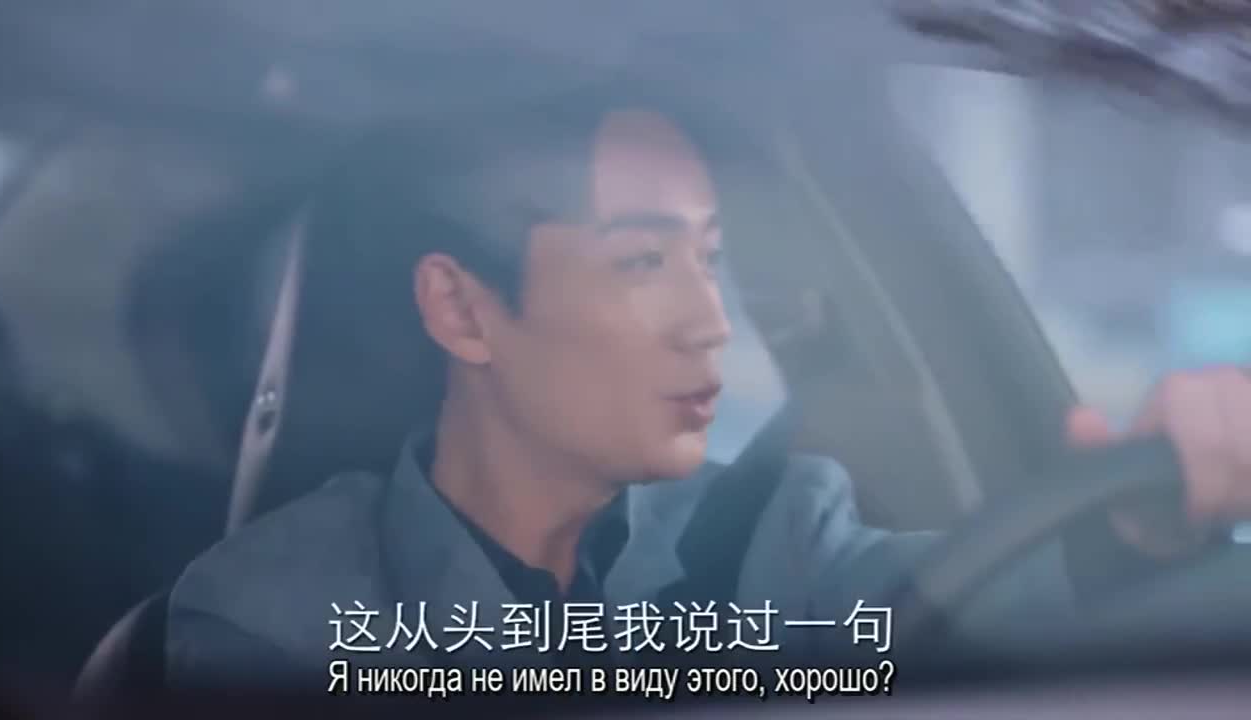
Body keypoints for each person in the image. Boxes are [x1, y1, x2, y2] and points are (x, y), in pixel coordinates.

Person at [166, 87, 1251, 691]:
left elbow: (981, 613)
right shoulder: (275, 616)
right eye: (642, 261)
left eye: (710, 259)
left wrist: (1135, 537)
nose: (711, 320)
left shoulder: (777, 535)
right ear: (461, 309)